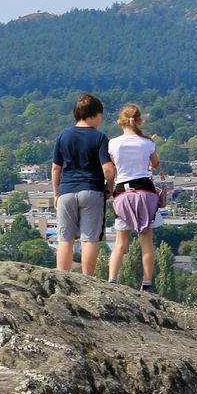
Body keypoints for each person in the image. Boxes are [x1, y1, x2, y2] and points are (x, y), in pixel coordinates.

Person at [51, 93, 115, 276]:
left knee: (65, 239)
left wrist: (56, 193)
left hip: (66, 191)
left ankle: (62, 276)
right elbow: (108, 170)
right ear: (95, 115)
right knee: (89, 239)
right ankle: (88, 279)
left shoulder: (63, 135)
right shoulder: (99, 138)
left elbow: (56, 168)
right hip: (91, 191)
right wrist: (109, 188)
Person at [106, 104, 163, 292]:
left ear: (119, 122)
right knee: (146, 241)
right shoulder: (147, 143)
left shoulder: (113, 143)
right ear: (139, 121)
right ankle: (147, 283)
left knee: (120, 242)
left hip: (123, 193)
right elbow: (155, 164)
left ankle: (112, 280)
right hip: (145, 192)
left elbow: (113, 164)